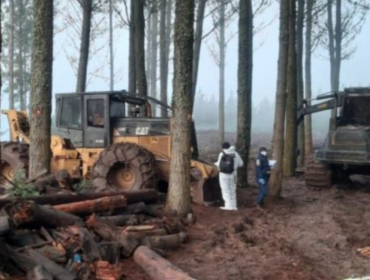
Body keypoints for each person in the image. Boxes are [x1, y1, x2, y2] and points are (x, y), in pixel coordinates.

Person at [215, 142, 244, 210]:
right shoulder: (235, 153)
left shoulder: (222, 154)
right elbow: (241, 164)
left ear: (222, 147)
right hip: (233, 174)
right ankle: (234, 206)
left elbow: (219, 164)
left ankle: (228, 206)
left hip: (224, 175)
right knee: (232, 190)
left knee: (225, 190)